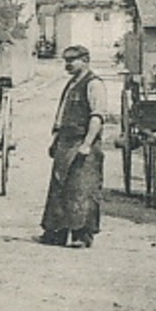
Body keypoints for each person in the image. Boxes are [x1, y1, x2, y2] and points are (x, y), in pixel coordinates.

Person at [39, 45, 107, 249]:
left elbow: (97, 116)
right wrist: (55, 141)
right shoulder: (71, 83)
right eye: (65, 61)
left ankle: (81, 235)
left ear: (85, 60)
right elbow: (61, 115)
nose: (67, 65)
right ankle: (56, 233)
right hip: (65, 141)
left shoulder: (94, 84)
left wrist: (87, 144)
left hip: (82, 141)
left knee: (82, 188)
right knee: (59, 187)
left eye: (72, 60)